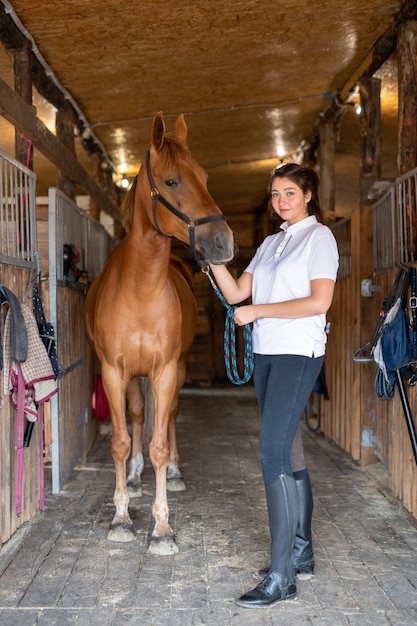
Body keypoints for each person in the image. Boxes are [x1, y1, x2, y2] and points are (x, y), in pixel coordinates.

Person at [209, 163, 339, 608]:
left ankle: (282, 577)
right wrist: (212, 259)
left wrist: (259, 313)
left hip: (298, 352)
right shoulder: (269, 243)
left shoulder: (319, 239)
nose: (280, 201)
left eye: (288, 192)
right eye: (274, 194)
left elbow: (319, 301)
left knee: (271, 452)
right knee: (289, 447)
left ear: (307, 195)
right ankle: (301, 553)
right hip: (265, 354)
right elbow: (236, 296)